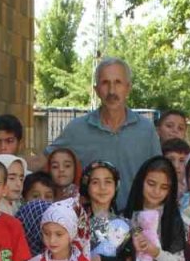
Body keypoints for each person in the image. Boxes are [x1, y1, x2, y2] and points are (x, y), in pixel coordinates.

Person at [48, 57, 161, 203]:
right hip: (90, 221)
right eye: (105, 83)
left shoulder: (146, 130)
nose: (112, 91)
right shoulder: (77, 129)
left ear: (128, 88)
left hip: (136, 221)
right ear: (96, 90)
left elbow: (160, 174)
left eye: (118, 82)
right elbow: (46, 161)